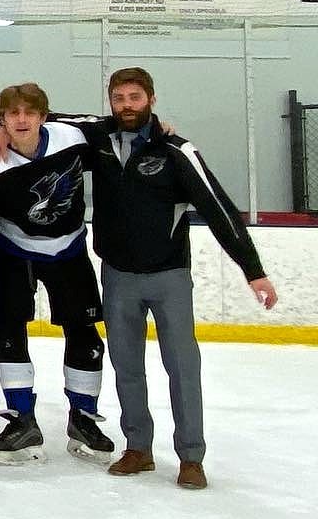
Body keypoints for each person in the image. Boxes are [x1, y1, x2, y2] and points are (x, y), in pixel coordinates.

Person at [82, 68, 278, 490]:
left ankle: (191, 456)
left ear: (151, 99)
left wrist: (253, 270)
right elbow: (39, 118)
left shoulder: (176, 150)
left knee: (183, 368)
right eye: (119, 98)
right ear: (110, 100)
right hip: (117, 277)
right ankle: (138, 448)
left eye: (135, 97)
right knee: (126, 367)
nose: (126, 105)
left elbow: (218, 207)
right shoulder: (97, 140)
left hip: (169, 277)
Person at [0, 83, 111, 465]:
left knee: (84, 333)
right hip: (16, 251)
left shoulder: (71, 136)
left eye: (30, 112)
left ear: (44, 116)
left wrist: (160, 128)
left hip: (69, 250)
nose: (22, 120)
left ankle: (84, 417)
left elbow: (118, 126)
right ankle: (21, 419)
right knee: (9, 332)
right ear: (3, 119)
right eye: (12, 114)